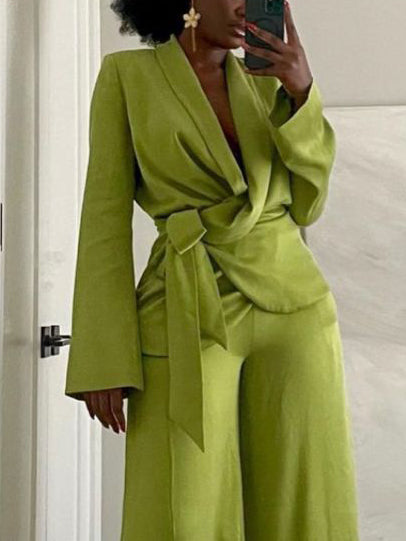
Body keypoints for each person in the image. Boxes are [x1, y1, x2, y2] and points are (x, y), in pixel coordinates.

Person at [64, 0, 360, 539]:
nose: (248, 3)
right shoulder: (127, 78)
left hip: (295, 306)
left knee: (305, 502)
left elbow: (308, 204)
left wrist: (301, 94)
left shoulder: (269, 82)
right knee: (181, 507)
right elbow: (103, 219)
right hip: (186, 303)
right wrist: (102, 357)